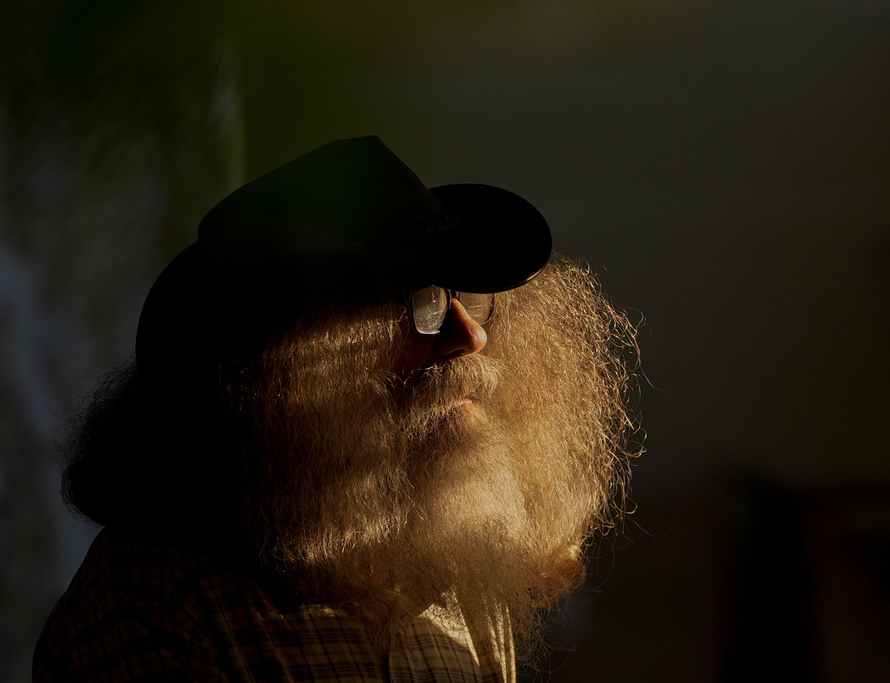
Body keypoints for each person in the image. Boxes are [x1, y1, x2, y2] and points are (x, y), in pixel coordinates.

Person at [33, 136, 638, 682]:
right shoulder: (157, 604)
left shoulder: (449, 573)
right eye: (419, 303)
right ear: (278, 363)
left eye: (467, 297)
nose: (469, 337)